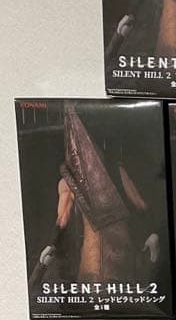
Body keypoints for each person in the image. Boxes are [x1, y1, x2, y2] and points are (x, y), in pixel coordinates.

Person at [31, 104, 159, 291]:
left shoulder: (104, 173)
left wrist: (52, 243)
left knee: (102, 288)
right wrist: (152, 233)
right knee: (109, 287)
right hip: (106, 249)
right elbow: (140, 204)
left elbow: (63, 218)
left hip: (104, 250)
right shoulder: (91, 176)